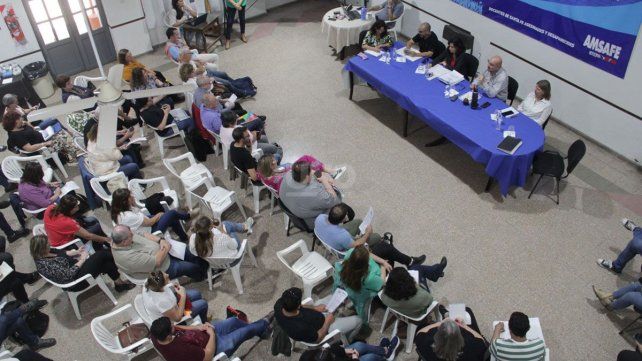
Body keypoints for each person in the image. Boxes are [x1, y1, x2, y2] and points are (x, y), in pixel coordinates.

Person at [315, 203, 427, 268]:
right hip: (347, 252)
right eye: (345, 216)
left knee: (358, 221)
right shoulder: (342, 235)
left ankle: (375, 243)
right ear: (343, 219)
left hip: (330, 238)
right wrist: (367, 233)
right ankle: (410, 262)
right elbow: (357, 244)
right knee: (378, 239)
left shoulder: (320, 218)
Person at [30, 235, 135, 292]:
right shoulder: (45, 265)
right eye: (47, 244)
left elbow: (62, 253)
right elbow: (68, 274)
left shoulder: (46, 251)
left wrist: (77, 252)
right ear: (42, 248)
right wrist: (82, 259)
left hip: (76, 268)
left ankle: (119, 284)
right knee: (100, 255)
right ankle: (128, 257)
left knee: (105, 262)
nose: (50, 244)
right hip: (75, 281)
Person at [150, 313, 271, 360]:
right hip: (214, 347)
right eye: (171, 325)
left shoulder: (156, 334)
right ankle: (266, 321)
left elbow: (178, 328)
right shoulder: (181, 351)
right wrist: (211, 334)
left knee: (233, 321)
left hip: (204, 334)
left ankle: (259, 329)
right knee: (245, 331)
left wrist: (199, 327)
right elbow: (207, 356)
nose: (174, 325)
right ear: (168, 336)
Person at [110, 224, 207, 281]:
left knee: (188, 251)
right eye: (130, 235)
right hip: (161, 269)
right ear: (124, 242)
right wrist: (166, 247)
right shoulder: (128, 258)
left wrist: (160, 240)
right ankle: (202, 276)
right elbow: (157, 262)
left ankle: (205, 266)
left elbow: (142, 234)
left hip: (163, 250)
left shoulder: (123, 237)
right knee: (189, 267)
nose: (132, 235)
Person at [275, 287, 363, 344]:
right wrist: (327, 322)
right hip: (324, 329)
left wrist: (315, 308)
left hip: (317, 316)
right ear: (297, 306)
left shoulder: (279, 304)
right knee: (358, 320)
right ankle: (348, 340)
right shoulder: (299, 327)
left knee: (334, 296)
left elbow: (300, 306)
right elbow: (318, 339)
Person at [280, 160, 348, 229]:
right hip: (311, 221)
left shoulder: (288, 175)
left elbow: (312, 171)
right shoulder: (314, 193)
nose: (312, 172)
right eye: (310, 173)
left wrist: (320, 175)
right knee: (342, 210)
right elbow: (335, 201)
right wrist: (325, 180)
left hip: (294, 210)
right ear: (307, 176)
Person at [110, 188, 192, 242]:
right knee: (172, 213)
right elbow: (150, 222)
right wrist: (159, 214)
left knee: (171, 217)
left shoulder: (117, 211)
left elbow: (142, 217)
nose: (132, 196)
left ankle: (184, 236)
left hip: (143, 225)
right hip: (150, 232)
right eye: (130, 196)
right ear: (125, 201)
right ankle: (187, 216)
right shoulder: (128, 216)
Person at [333, 245, 389, 322]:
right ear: (365, 263)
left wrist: (382, 261)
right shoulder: (369, 278)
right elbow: (382, 283)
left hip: (349, 286)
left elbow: (367, 254)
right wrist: (383, 266)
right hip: (362, 293)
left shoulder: (350, 255)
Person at [2, 111, 78, 163]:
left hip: (42, 137)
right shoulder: (16, 136)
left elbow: (30, 127)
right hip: (41, 148)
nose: (22, 119)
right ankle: (74, 155)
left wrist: (29, 125)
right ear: (16, 122)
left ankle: (72, 151)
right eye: (19, 118)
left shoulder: (20, 126)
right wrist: (44, 144)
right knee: (62, 137)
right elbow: (30, 148)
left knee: (59, 130)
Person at [43, 194, 110, 248]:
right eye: (76, 206)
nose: (78, 207)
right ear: (70, 209)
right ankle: (104, 246)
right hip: (66, 244)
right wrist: (105, 239)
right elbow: (88, 236)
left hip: (55, 236)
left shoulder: (50, 208)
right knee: (97, 227)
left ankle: (101, 243)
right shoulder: (68, 222)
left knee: (93, 219)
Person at [380, 267, 446, 321]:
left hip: (402, 313)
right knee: (418, 269)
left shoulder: (383, 296)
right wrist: (416, 285)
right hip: (417, 315)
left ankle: (436, 271)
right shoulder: (421, 297)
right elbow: (430, 300)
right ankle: (436, 271)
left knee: (417, 267)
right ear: (408, 281)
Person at [141, 270, 208, 323]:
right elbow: (177, 318)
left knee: (197, 293)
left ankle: (199, 316)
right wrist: (183, 296)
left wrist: (171, 284)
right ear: (161, 285)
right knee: (203, 303)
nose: (168, 275)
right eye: (166, 277)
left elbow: (164, 290)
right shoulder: (161, 301)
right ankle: (203, 322)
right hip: (174, 317)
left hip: (172, 305)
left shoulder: (150, 282)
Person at [258, 154, 342, 194]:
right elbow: (291, 180)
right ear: (271, 166)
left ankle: (330, 172)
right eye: (273, 161)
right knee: (308, 168)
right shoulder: (278, 179)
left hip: (288, 177)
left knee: (306, 158)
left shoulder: (263, 174)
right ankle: (329, 176)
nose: (275, 161)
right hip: (293, 186)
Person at [415, 318, 487, 361]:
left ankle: (443, 311)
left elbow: (419, 332)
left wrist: (441, 322)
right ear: (460, 335)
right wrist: (464, 326)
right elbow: (481, 339)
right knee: (468, 311)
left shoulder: (425, 341)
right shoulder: (473, 346)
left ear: (438, 334)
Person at [188, 216, 253, 259]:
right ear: (210, 228)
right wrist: (223, 232)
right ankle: (245, 227)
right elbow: (235, 246)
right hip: (232, 259)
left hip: (215, 263)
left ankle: (244, 227)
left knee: (227, 227)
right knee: (228, 229)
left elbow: (194, 253)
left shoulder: (192, 240)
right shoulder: (220, 237)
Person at [299, 337, 399, 361]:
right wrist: (355, 358)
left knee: (359, 345)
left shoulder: (307, 357)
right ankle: (383, 357)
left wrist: (345, 351)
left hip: (342, 357)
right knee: (370, 357)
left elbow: (330, 349)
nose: (324, 350)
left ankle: (384, 351)